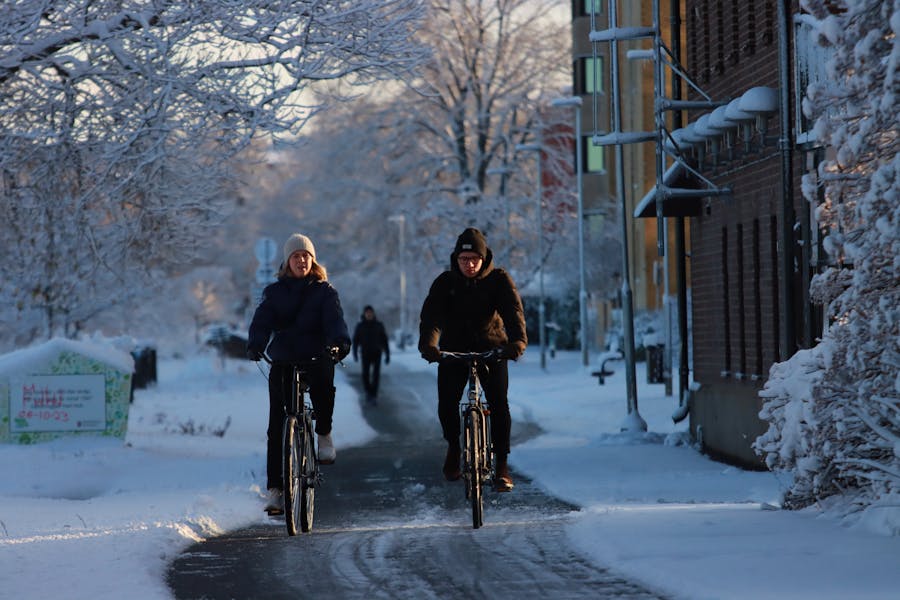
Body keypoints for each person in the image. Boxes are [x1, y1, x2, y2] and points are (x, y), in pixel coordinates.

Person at [246, 233, 351, 514]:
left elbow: (335, 321)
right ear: (287, 261)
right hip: (283, 359)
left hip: (317, 355)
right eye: (296, 256)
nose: (301, 260)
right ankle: (276, 489)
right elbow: (261, 321)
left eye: (306, 256)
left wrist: (339, 344)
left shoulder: (324, 291)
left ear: (312, 260)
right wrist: (256, 344)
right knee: (276, 425)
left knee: (324, 386)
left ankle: (324, 433)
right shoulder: (274, 292)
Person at [418, 227, 527, 492]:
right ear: (456, 259)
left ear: (484, 258)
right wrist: (429, 346)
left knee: (499, 403)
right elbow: (431, 318)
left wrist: (517, 342)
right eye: (464, 260)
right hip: (454, 351)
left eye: (474, 259)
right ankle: (454, 447)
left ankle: (502, 464)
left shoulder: (498, 280)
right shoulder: (445, 283)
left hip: (492, 349)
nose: (469, 264)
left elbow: (513, 313)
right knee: (447, 401)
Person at [352, 305, 390, 405]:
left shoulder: (379, 325)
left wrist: (387, 354)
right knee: (365, 375)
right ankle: (368, 393)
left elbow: (384, 340)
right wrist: (355, 353)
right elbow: (355, 340)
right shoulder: (360, 326)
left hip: (377, 353)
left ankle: (374, 395)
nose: (369, 314)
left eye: (370, 313)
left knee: (376, 375)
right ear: (364, 314)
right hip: (365, 353)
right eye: (367, 313)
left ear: (373, 314)